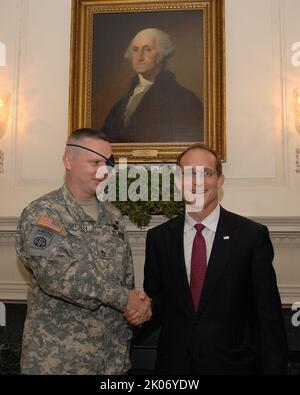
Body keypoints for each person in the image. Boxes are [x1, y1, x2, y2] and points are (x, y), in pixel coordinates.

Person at [141, 143, 288, 374]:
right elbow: (156, 302)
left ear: (220, 180)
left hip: (235, 367)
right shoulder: (159, 239)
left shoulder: (251, 236)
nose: (197, 182)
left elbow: (268, 317)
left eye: (206, 173)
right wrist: (141, 308)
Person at [15, 128, 151, 375]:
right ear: (68, 161)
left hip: (112, 361)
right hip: (58, 363)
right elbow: (55, 276)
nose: (104, 170)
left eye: (108, 163)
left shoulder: (113, 216)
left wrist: (138, 308)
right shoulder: (43, 214)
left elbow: (125, 279)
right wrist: (124, 298)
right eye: (94, 161)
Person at [101, 28, 203, 143]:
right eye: (135, 50)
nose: (139, 57)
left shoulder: (184, 99)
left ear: (162, 54)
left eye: (147, 49)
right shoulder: (121, 104)